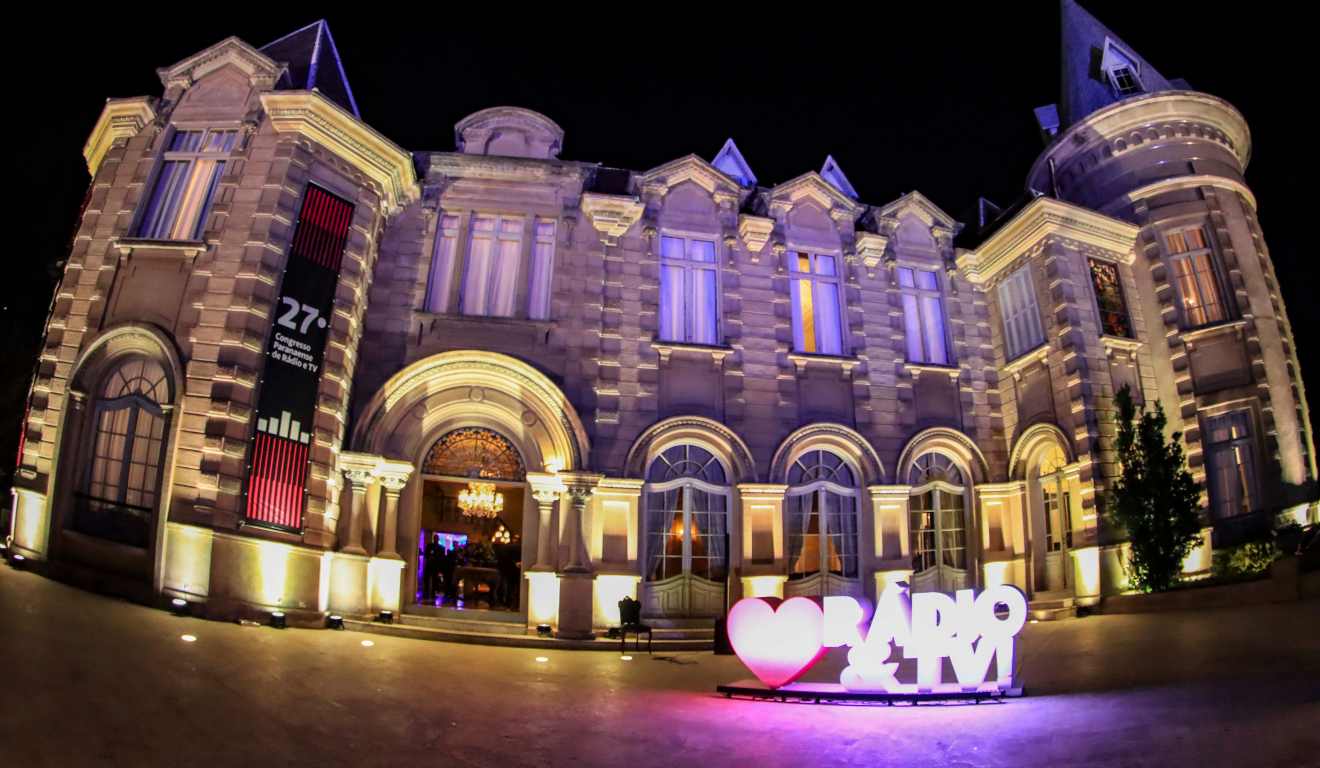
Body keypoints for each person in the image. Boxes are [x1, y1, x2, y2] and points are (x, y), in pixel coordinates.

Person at [423, 533, 444, 603]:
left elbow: (441, 558)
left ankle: (433, 593)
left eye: (436, 538)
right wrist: (429, 558)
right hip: (429, 565)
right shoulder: (429, 546)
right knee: (427, 579)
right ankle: (426, 592)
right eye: (435, 538)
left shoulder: (440, 548)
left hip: (436, 566)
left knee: (435, 580)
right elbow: (426, 554)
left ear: (438, 539)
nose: (436, 539)